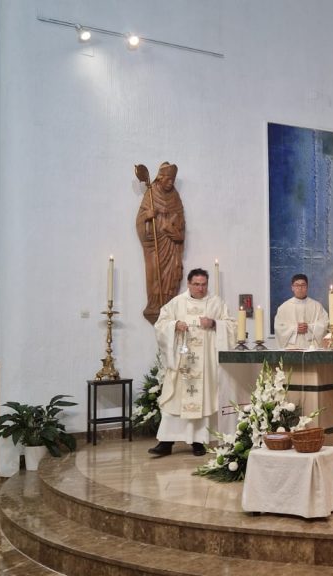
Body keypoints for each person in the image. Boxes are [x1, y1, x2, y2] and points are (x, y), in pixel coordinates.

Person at [149, 268, 235, 456]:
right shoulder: (177, 303)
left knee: (202, 400)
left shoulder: (216, 303)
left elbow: (232, 326)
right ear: (189, 284)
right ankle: (166, 442)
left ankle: (198, 442)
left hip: (205, 364)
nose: (200, 288)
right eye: (196, 284)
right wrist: (174, 325)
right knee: (175, 400)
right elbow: (160, 324)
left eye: (204, 284)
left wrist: (214, 323)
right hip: (182, 363)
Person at [136, 162, 186, 323]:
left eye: (173, 179)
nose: (171, 182)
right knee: (154, 273)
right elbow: (139, 220)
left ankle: (168, 306)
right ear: (160, 178)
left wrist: (176, 231)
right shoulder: (150, 194)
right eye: (168, 179)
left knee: (171, 275)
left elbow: (181, 221)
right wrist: (147, 215)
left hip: (171, 245)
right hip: (154, 245)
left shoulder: (175, 196)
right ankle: (154, 305)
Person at [274, 274, 329, 349]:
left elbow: (324, 324)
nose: (300, 288)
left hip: (312, 347)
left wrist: (309, 327)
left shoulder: (317, 306)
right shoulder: (283, 307)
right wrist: (295, 329)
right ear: (292, 288)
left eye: (303, 285)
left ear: (307, 287)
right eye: (297, 285)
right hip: (292, 348)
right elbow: (278, 328)